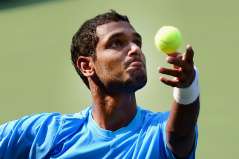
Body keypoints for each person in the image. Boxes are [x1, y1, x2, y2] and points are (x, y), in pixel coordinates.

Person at [0, 10, 200, 159]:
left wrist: (188, 87)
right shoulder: (47, 134)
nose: (134, 49)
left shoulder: (159, 131)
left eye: (136, 42)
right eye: (116, 43)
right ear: (87, 65)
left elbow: (179, 134)